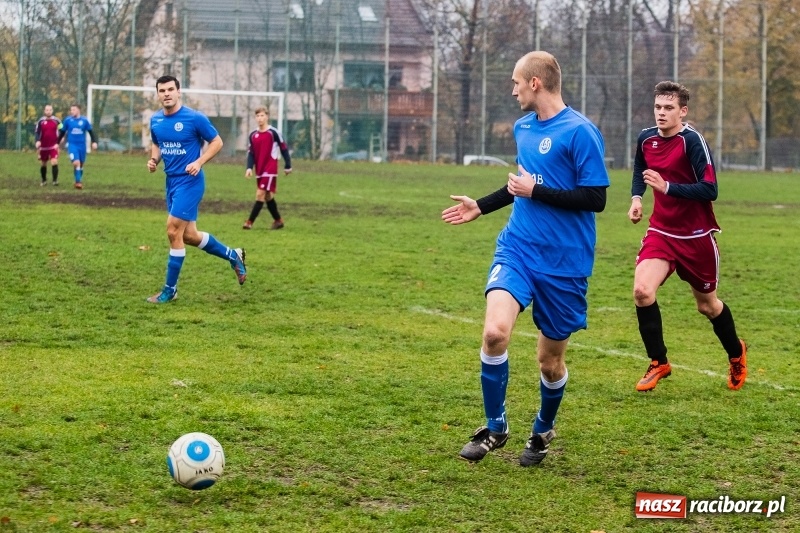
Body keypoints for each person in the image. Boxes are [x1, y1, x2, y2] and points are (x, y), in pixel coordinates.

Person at [441, 51, 609, 466]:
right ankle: (495, 427)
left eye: (516, 81)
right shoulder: (523, 127)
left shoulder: (580, 132)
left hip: (565, 263)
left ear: (535, 83)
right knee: (494, 334)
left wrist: (538, 192)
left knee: (550, 363)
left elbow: (595, 198)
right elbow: (520, 184)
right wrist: (482, 205)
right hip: (517, 248)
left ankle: (542, 429)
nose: (513, 89)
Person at [629, 81, 747, 392]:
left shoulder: (692, 141)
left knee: (707, 306)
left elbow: (710, 189)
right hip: (661, 232)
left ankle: (736, 353)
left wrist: (667, 187)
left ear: (683, 111)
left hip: (696, 236)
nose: (661, 113)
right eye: (658, 107)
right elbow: (640, 168)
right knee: (642, 291)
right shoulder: (646, 138)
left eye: (669, 108)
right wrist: (637, 198)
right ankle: (659, 361)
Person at [146, 75, 247, 304]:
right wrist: (154, 160)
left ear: (178, 91)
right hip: (171, 183)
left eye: (170, 89)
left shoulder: (194, 118)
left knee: (173, 230)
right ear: (158, 94)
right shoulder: (156, 120)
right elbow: (157, 143)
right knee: (189, 236)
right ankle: (234, 255)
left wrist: (199, 162)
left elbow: (217, 142)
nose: (166, 94)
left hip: (190, 182)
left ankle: (170, 290)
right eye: (162, 90)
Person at [242, 106, 293, 230]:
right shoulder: (253, 135)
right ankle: (278, 221)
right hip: (259, 169)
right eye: (257, 116)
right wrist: (249, 168)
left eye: (262, 115)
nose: (260, 118)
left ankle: (249, 222)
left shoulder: (273, 133)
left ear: (267, 117)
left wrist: (288, 165)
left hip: (270, 169)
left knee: (260, 194)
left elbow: (284, 148)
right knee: (268, 196)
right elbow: (251, 153)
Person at [57, 103, 98, 189]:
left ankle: (77, 180)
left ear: (79, 110)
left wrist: (94, 142)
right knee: (76, 162)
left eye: (74, 109)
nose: (72, 111)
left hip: (82, 146)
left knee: (81, 164)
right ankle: (78, 182)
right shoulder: (68, 120)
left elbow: (91, 132)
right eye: (71, 110)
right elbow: (62, 132)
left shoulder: (84, 121)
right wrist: (57, 143)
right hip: (72, 145)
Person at [35, 104, 61, 186]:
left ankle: (55, 181)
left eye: (50, 110)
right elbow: (37, 132)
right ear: (44, 111)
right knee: (43, 163)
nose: (48, 111)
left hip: (53, 145)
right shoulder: (40, 121)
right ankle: (44, 180)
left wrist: (61, 139)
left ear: (52, 111)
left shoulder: (57, 120)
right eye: (47, 110)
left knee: (54, 161)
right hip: (43, 146)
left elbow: (62, 130)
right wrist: (37, 141)